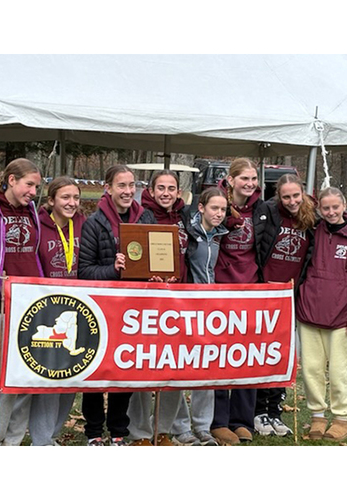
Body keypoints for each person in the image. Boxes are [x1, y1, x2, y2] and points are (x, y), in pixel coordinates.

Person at [78, 165, 156, 445]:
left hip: (133, 307)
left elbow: (154, 257)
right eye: (121, 185)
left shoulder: (146, 217)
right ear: (108, 188)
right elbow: (84, 271)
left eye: (131, 185)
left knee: (126, 370)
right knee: (97, 371)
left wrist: (158, 272)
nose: (127, 191)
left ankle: (120, 431)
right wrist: (112, 268)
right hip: (102, 308)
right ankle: (95, 432)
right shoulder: (94, 223)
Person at [297, 187, 347, 441]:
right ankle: (317, 416)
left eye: (335, 207)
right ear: (319, 209)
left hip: (341, 315)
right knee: (311, 369)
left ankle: (341, 418)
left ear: (344, 205)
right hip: (309, 311)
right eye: (325, 208)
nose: (330, 212)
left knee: (340, 371)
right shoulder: (313, 231)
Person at [0, 158, 43, 446]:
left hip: (32, 302)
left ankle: (14, 442)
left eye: (36, 186)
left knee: (27, 377)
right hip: (2, 302)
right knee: (0, 381)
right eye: (29, 185)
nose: (33, 191)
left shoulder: (32, 210)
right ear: (10, 180)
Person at [126, 169, 188, 446]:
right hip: (148, 300)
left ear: (178, 191)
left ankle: (162, 429)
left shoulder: (186, 217)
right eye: (160, 187)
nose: (166, 193)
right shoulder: (141, 215)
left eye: (171, 188)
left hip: (180, 299)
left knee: (175, 366)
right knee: (143, 366)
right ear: (150, 190)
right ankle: (138, 431)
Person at [252, 174, 316, 435]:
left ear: (303, 194)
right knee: (261, 352)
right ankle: (258, 411)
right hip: (265, 294)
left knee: (284, 355)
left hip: (291, 296)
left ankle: (275, 410)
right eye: (286, 196)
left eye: (295, 196)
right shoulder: (267, 211)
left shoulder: (311, 218)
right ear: (279, 195)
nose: (291, 201)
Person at [209, 158, 263, 445]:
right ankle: (218, 420)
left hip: (251, 288)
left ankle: (242, 420)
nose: (250, 183)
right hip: (221, 287)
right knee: (219, 355)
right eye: (244, 178)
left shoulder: (261, 208)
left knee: (247, 354)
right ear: (230, 180)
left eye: (253, 178)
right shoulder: (216, 203)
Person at [29, 176, 86, 445]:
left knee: (70, 374)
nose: (71, 203)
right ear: (51, 200)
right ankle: (41, 438)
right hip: (46, 307)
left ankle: (52, 433)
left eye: (75, 197)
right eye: (65, 197)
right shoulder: (38, 227)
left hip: (77, 307)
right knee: (50, 373)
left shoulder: (84, 226)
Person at [172, 187, 231, 446]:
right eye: (214, 208)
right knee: (179, 367)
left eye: (223, 209)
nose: (219, 213)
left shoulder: (220, 235)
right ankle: (180, 427)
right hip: (183, 307)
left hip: (210, 308)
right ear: (201, 208)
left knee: (206, 368)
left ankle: (203, 426)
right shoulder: (188, 233)